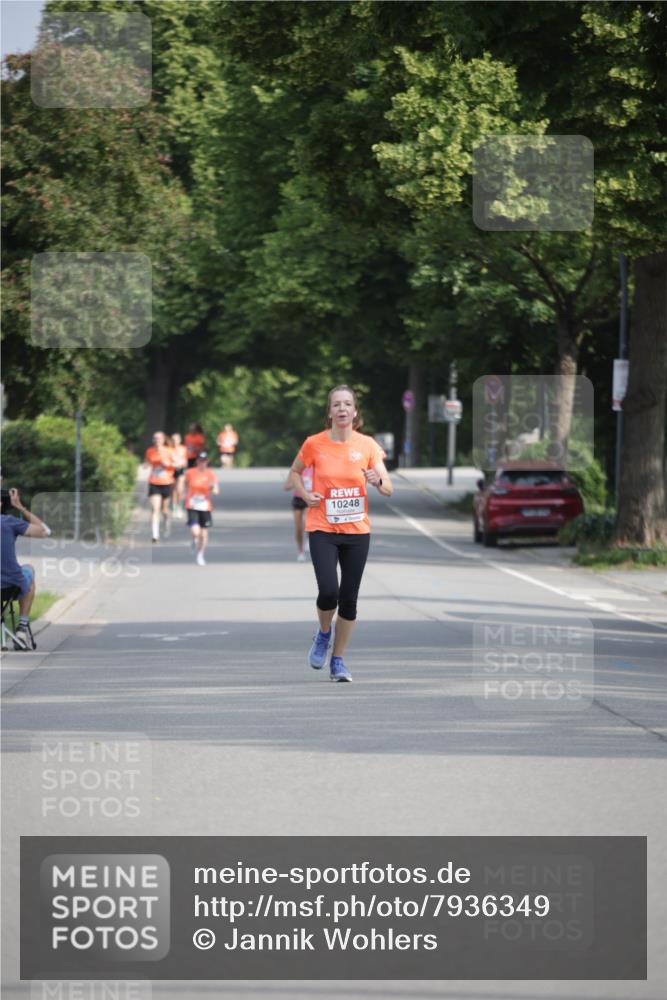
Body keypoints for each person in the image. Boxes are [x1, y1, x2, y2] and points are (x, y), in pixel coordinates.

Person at [289, 385, 392, 682]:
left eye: (348, 404)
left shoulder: (368, 446)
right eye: (337, 405)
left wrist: (377, 479)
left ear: (355, 412)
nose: (343, 409)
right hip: (322, 527)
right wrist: (305, 494)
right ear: (330, 411)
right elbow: (295, 472)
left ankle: (338, 660)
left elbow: (388, 488)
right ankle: (323, 633)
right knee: (329, 591)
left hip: (357, 531)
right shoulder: (314, 444)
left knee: (349, 599)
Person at [1, 487, 51, 650]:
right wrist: (20, 507)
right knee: (28, 569)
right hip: (10, 587)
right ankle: (22, 629)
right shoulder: (9, 522)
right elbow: (44, 531)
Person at [184, 450, 219, 566]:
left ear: (207, 462)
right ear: (197, 461)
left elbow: (216, 490)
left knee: (204, 534)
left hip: (205, 506)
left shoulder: (210, 474)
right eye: (200, 461)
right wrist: (183, 495)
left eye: (204, 461)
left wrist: (212, 487)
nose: (202, 463)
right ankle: (194, 539)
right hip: (192, 505)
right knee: (195, 531)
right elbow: (184, 484)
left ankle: (200, 555)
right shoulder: (190, 472)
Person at [143, 431, 175, 542]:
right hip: (154, 482)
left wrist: (169, 464)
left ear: (163, 440)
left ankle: (167, 521)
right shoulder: (150, 451)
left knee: (164, 509)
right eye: (155, 438)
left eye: (159, 439)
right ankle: (155, 535)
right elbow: (146, 462)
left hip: (167, 482)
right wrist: (146, 465)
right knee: (155, 508)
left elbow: (179, 464)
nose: (157, 441)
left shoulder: (169, 451)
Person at [283, 464, 313, 562]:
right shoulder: (295, 468)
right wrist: (297, 483)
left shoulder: (315, 467)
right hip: (298, 499)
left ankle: (309, 538)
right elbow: (286, 486)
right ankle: (300, 551)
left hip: (310, 498)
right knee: (298, 528)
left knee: (306, 521)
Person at [170, 432, 188, 519]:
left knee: (180, 490)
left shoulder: (183, 449)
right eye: (173, 440)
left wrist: (182, 464)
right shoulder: (169, 449)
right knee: (174, 490)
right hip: (171, 471)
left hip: (180, 470)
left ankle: (180, 508)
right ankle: (174, 508)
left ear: (180, 440)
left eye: (176, 440)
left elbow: (185, 460)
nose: (175, 441)